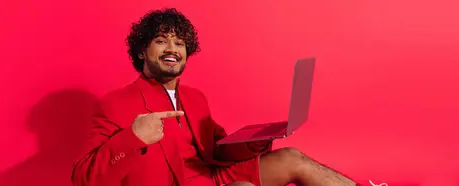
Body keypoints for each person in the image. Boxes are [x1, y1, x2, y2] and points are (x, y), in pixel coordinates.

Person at [71, 7, 378, 186]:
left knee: (291, 157)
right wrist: (134, 138)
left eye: (179, 43)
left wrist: (255, 139)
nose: (171, 49)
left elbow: (218, 150)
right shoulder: (115, 104)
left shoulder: (194, 97)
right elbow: (83, 178)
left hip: (211, 177)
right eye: (160, 41)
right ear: (141, 51)